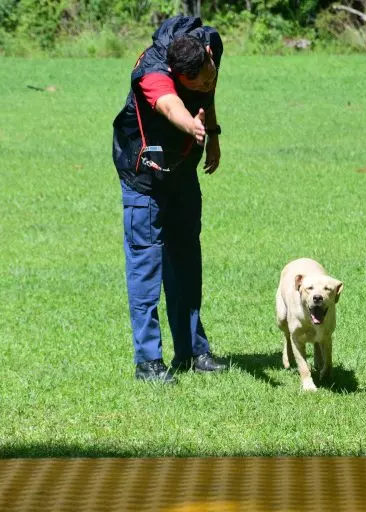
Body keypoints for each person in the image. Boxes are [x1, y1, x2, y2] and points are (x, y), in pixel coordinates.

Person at [112, 16, 228, 383]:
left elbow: (208, 93)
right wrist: (191, 125)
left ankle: (194, 349)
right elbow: (167, 105)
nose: (208, 82)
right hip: (144, 174)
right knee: (146, 264)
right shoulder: (153, 72)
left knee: (186, 259)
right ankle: (148, 362)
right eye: (197, 82)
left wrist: (212, 132)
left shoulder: (210, 43)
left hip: (182, 169)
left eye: (210, 73)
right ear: (179, 77)